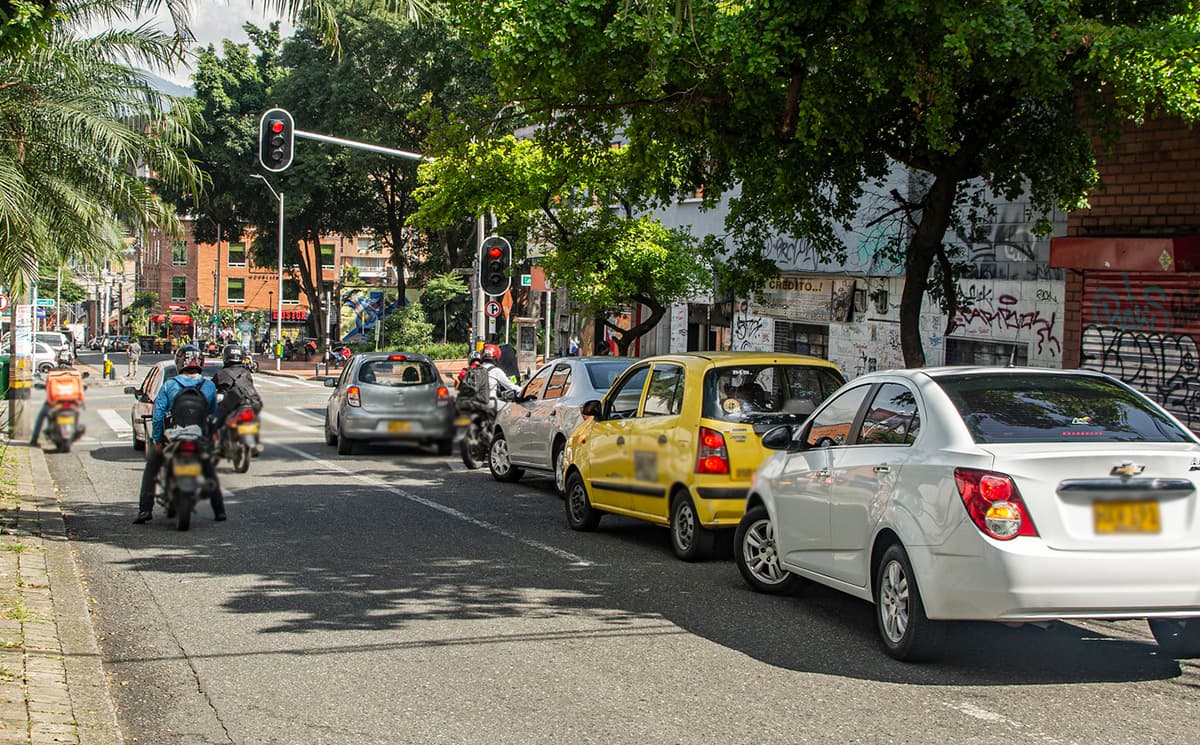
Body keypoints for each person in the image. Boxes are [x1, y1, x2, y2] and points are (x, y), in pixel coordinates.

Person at [134, 345, 224, 524]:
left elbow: (158, 415)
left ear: (179, 362)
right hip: (199, 437)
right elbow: (213, 415)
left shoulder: (169, 385)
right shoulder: (209, 386)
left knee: (152, 466)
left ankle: (145, 509)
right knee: (208, 468)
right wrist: (212, 437)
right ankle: (219, 509)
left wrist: (158, 439)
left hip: (172, 437)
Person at [30, 359, 86, 446]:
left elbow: (48, 385)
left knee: (41, 416)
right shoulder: (74, 372)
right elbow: (80, 387)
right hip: (71, 400)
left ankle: (34, 439)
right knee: (76, 414)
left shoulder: (53, 372)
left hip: (55, 401)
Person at [213, 344, 263, 423]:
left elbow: (211, 387)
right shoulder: (246, 373)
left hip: (229, 407)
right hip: (246, 404)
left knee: (213, 421)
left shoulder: (221, 373)